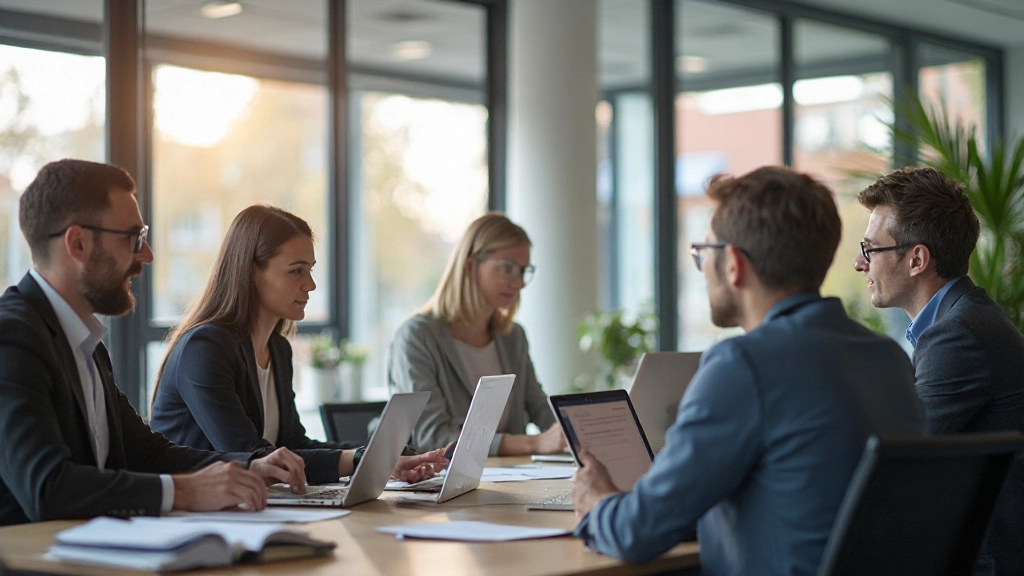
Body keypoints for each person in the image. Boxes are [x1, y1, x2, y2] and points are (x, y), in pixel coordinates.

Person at [571, 167, 926, 575]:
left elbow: (639, 531)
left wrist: (597, 499)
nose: (701, 267)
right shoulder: (888, 358)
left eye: (702, 253)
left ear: (734, 264)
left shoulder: (743, 364)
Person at [0, 159, 308, 526]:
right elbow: (48, 488)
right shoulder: (12, 337)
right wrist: (186, 491)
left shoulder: (87, 344)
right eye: (133, 238)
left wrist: (249, 466)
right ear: (78, 243)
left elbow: (146, 452)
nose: (146, 256)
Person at [150, 205, 446, 485]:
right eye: (296, 271)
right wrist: (361, 458)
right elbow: (250, 455)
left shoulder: (278, 349)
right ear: (252, 271)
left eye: (310, 270)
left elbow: (292, 445)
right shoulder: (205, 347)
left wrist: (384, 454)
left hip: (245, 509)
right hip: (192, 516)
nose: (311, 284)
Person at [855, 166, 1024, 576]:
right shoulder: (968, 318)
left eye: (870, 249)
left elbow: (904, 461)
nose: (860, 265)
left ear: (916, 259)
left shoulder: (957, 335)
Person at [388, 213, 566, 456]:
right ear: (470, 265)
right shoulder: (417, 336)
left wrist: (578, 431)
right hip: (445, 485)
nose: (518, 283)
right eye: (507, 268)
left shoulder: (512, 336)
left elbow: (540, 408)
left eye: (523, 270)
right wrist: (534, 443)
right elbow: (434, 437)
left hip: (513, 480)